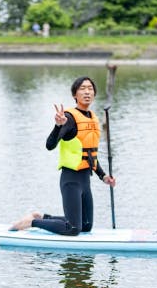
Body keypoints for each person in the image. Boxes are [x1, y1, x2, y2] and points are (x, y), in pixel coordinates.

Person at [11, 76, 116, 236]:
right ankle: (31, 222)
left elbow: (89, 154)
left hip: (85, 180)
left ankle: (42, 216)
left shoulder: (93, 118)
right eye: (82, 88)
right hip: (71, 179)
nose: (87, 92)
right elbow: (50, 145)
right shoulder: (70, 118)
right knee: (73, 229)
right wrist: (58, 125)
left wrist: (103, 176)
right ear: (75, 94)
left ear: (94, 93)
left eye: (90, 88)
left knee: (86, 226)